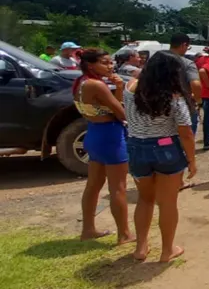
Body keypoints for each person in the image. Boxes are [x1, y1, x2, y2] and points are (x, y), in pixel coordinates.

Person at [124, 50, 196, 262]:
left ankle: (141, 247)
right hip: (166, 148)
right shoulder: (174, 98)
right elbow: (185, 133)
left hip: (137, 147)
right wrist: (192, 161)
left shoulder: (129, 90)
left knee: (145, 200)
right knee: (167, 203)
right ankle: (167, 250)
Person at [73, 49, 134, 245]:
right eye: (105, 63)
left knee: (93, 185)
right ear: (91, 65)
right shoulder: (97, 85)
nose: (111, 66)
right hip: (110, 136)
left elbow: (105, 108)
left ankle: (88, 229)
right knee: (118, 187)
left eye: (111, 63)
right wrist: (121, 89)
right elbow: (122, 113)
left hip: (94, 134)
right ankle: (124, 234)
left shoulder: (81, 82)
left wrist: (117, 87)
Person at [169, 33, 202, 135]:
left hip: (160, 104)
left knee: (166, 136)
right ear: (184, 45)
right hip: (184, 104)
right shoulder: (187, 63)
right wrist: (198, 100)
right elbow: (195, 84)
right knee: (187, 135)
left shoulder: (156, 60)